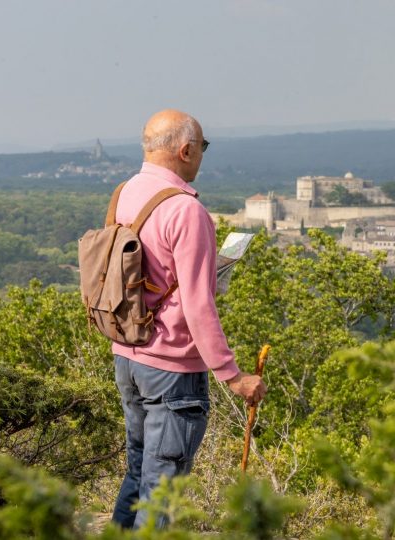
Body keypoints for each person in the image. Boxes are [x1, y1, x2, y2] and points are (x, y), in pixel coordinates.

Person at [110, 109, 267, 529]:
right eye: (202, 148)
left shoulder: (125, 193)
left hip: (128, 354)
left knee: (139, 473)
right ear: (186, 150)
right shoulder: (186, 212)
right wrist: (234, 376)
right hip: (172, 369)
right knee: (161, 493)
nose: (201, 156)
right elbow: (199, 306)